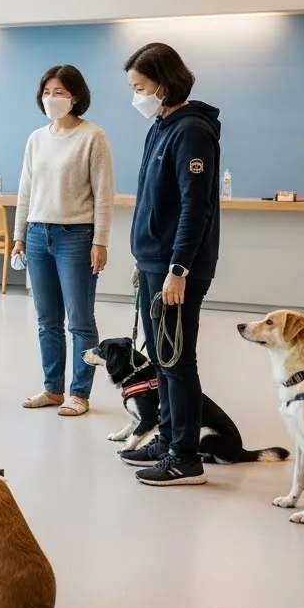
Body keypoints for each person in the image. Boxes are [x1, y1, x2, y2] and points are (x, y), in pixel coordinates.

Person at [119, 42, 221, 487]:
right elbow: (151, 199)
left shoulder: (192, 130)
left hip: (177, 268)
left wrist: (178, 268)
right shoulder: (161, 126)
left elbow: (194, 207)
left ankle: (186, 456)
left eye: (139, 86)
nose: (135, 96)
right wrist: (146, 261)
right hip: (154, 261)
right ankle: (169, 434)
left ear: (163, 83)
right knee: (161, 360)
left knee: (177, 359)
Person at [12, 65, 115, 416]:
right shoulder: (35, 138)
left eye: (59, 92)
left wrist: (100, 241)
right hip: (38, 234)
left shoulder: (92, 136)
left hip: (76, 236)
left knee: (80, 320)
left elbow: (103, 194)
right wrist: (19, 236)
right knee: (46, 320)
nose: (51, 98)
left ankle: (79, 393)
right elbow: (26, 188)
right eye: (46, 92)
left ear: (76, 96)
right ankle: (52, 388)